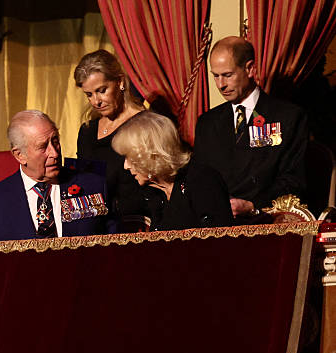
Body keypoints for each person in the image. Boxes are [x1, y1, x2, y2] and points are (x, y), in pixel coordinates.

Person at [194, 36, 308, 221]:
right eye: (216, 75)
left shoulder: (288, 117)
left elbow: (294, 180)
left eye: (228, 75)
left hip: (267, 222)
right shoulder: (207, 123)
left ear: (249, 69)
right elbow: (199, 181)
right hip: (216, 226)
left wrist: (253, 206)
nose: (221, 85)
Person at [0, 110, 115, 242]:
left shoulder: (93, 186)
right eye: (42, 147)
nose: (54, 153)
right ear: (20, 155)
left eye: (55, 141)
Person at [112, 111, 233, 231]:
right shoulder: (154, 192)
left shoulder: (202, 180)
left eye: (130, 157)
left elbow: (218, 241)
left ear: (151, 155)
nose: (125, 166)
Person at [74, 49, 150, 226]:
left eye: (101, 90)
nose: (96, 101)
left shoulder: (145, 124)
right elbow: (82, 185)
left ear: (120, 82)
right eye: (89, 95)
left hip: (135, 224)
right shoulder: (87, 131)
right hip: (95, 223)